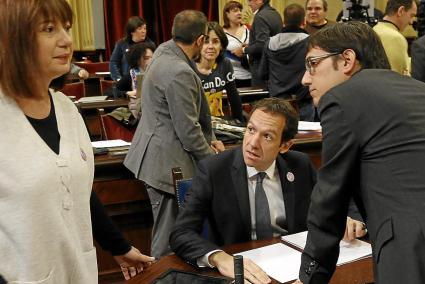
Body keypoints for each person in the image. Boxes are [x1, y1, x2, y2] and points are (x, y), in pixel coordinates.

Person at [0, 1, 154, 283]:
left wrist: (117, 246)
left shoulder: (67, 110)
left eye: (67, 28)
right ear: (13, 36)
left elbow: (76, 189)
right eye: (49, 29)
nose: (66, 40)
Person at [170, 98, 366, 284]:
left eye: (267, 136)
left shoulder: (300, 165)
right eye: (251, 130)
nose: (253, 143)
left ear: (285, 145)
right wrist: (219, 258)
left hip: (294, 268)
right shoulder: (214, 170)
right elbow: (181, 233)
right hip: (242, 273)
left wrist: (353, 218)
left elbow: (341, 198)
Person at [296, 22, 425, 284]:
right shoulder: (417, 89)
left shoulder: (342, 98)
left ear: (347, 60)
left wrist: (310, 277)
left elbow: (328, 199)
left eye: (313, 64)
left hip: (410, 253)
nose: (305, 78)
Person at [124, 10, 225, 259]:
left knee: (170, 233)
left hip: (154, 155)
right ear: (200, 40)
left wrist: (209, 137)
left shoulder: (162, 51)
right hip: (167, 165)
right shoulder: (179, 71)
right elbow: (188, 131)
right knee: (169, 238)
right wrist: (213, 163)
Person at [259, 4, 314, 121]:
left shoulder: (270, 43)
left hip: (278, 103)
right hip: (303, 102)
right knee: (307, 138)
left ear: (283, 22)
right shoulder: (310, 43)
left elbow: (262, 73)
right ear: (304, 21)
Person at [195, 22, 244, 122]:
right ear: (199, 44)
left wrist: (241, 124)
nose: (210, 46)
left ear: (221, 45)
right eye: (206, 41)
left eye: (215, 41)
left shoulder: (225, 63)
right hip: (196, 125)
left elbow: (234, 97)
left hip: (218, 122)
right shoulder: (188, 66)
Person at [232, 0, 282, 87]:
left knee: (260, 100)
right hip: (275, 69)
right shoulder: (276, 14)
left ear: (259, 1)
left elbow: (262, 45)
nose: (249, 4)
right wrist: (250, 46)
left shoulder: (260, 16)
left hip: (262, 69)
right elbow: (269, 41)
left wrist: (244, 50)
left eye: (250, 0)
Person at [373, 0, 417, 75]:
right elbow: (397, 77)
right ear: (401, 11)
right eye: (411, 16)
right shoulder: (395, 38)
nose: (411, 22)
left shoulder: (375, 28)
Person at [109, 16, 155, 82]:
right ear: (131, 31)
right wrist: (118, 79)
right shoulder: (121, 44)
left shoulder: (150, 44)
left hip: (146, 80)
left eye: (145, 28)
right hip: (127, 81)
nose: (143, 31)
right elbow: (114, 63)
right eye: (140, 29)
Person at [222, 0, 252, 88]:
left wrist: (248, 48)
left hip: (252, 76)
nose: (239, 13)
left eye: (240, 10)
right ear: (227, 14)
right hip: (231, 77)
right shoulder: (221, 33)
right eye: (235, 11)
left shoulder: (250, 28)